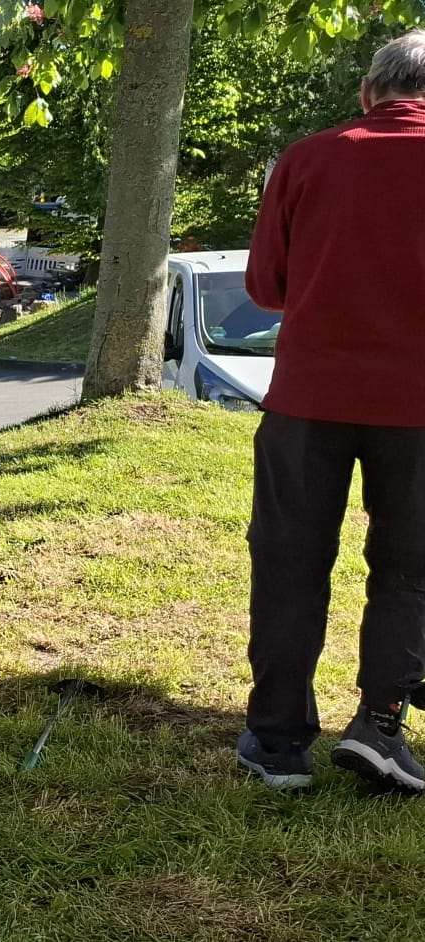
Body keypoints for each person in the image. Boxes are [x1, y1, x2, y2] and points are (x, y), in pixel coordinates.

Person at [239, 29, 425, 791]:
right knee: (411, 569)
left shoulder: (309, 158)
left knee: (289, 563)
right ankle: (380, 726)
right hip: (419, 409)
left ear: (369, 91)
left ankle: (277, 743)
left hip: (308, 400)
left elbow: (265, 288)